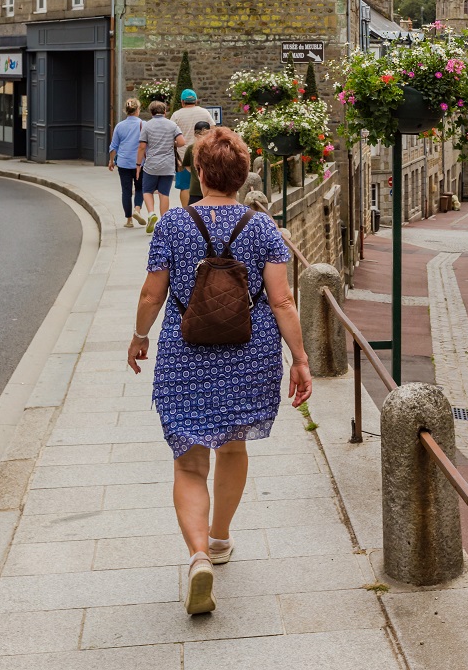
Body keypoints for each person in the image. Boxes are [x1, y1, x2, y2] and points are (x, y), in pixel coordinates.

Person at [126, 127, 312, 616]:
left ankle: (197, 556)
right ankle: (222, 537)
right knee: (233, 446)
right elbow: (283, 299)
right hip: (249, 355)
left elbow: (152, 294)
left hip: (185, 356)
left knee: (189, 462)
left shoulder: (172, 226)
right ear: (242, 175)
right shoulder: (263, 227)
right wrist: (300, 358)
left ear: (201, 173)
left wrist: (141, 335)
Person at [137, 100, 185, 233]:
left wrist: (138, 164)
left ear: (151, 112)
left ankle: (151, 213)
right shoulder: (172, 125)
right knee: (164, 193)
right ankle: (164, 223)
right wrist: (172, 143)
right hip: (168, 165)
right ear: (165, 111)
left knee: (147, 190)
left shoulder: (147, 126)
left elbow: (142, 147)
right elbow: (181, 142)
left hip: (151, 164)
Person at [171, 90, 216, 207]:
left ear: (182, 102)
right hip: (204, 154)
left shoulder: (176, 115)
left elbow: (170, 135)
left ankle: (187, 213)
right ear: (196, 100)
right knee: (204, 184)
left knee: (185, 186)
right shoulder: (205, 113)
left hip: (183, 156)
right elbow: (213, 131)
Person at [108, 99, 147, 227]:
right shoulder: (143, 124)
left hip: (123, 162)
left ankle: (129, 220)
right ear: (137, 110)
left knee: (126, 191)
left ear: (126, 110)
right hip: (139, 163)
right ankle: (137, 210)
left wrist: (111, 161)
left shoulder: (119, 126)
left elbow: (114, 146)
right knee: (140, 188)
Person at [181, 119, 211, 206]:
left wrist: (196, 173)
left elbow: (187, 166)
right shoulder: (214, 148)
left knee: (194, 214)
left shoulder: (191, 148)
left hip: (196, 187)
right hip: (205, 188)